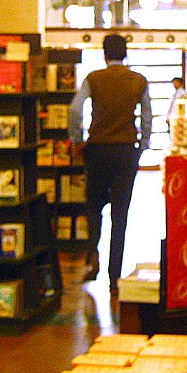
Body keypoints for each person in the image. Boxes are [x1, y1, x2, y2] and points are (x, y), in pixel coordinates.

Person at [68, 34, 153, 291]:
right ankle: (114, 276)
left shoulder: (94, 78)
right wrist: (143, 146)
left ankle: (93, 256)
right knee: (120, 214)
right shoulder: (138, 80)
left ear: (104, 54)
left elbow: (75, 109)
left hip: (98, 150)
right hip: (126, 151)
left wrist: (77, 139)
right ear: (125, 53)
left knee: (94, 206)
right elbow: (147, 115)